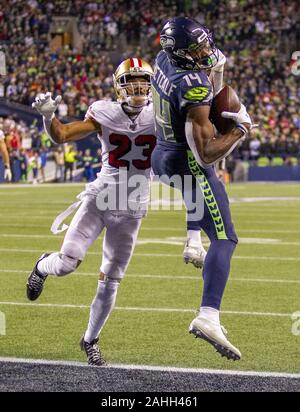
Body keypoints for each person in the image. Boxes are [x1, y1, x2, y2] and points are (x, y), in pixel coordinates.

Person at [27, 57, 156, 366]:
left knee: (110, 280)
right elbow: (62, 135)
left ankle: (90, 340)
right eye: (131, 80)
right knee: (67, 263)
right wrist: (48, 118)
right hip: (99, 199)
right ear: (119, 86)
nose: (138, 86)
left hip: (132, 207)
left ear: (152, 84)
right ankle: (43, 265)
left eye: (143, 80)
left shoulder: (164, 115)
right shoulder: (105, 112)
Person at [151, 17, 253, 361]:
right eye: (197, 50)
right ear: (183, 53)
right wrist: (240, 129)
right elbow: (207, 154)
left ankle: (193, 239)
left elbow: (213, 68)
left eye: (204, 44)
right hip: (186, 162)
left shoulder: (164, 59)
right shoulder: (193, 86)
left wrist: (216, 79)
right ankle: (208, 316)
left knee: (198, 198)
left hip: (161, 153)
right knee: (225, 238)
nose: (206, 52)